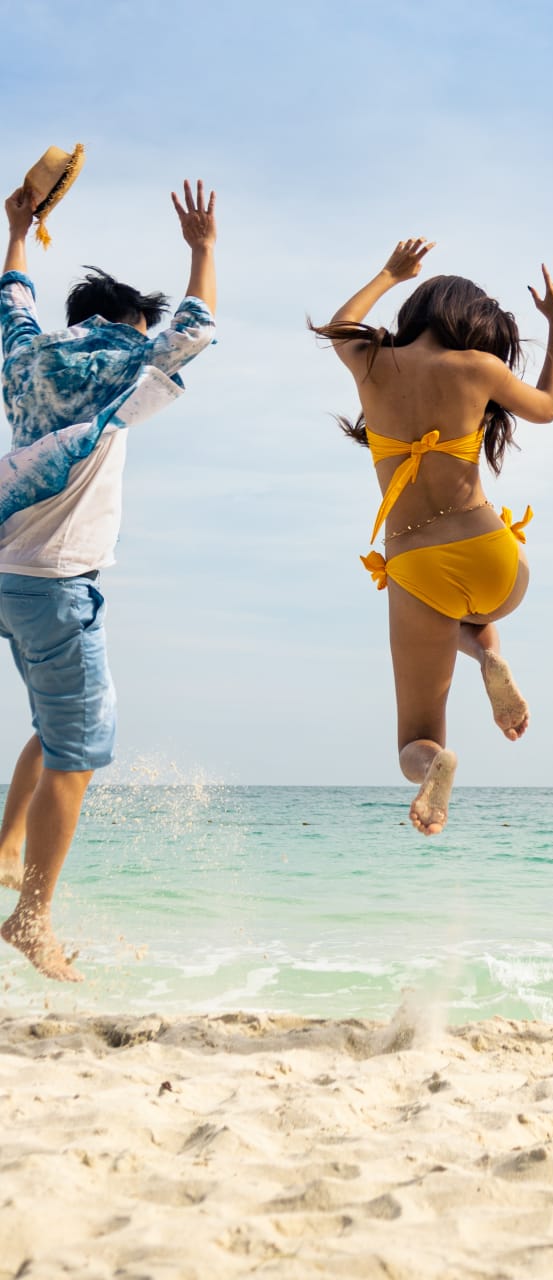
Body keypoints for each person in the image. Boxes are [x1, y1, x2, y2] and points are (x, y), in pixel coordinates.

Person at [0, 178, 218, 982]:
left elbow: (12, 301)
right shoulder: (124, 364)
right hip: (57, 582)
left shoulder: (27, 362)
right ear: (129, 326)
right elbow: (195, 331)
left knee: (54, 726)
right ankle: (29, 918)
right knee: (81, 750)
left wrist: (17, 227)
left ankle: (8, 847)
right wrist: (202, 251)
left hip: (6, 576)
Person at [313, 239, 553, 835]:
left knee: (416, 735)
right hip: (493, 556)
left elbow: (339, 328)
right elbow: (550, 407)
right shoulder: (478, 369)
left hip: (416, 562)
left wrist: (389, 272)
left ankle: (440, 763)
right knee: (472, 614)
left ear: (421, 308)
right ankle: (488, 655)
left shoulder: (373, 363)